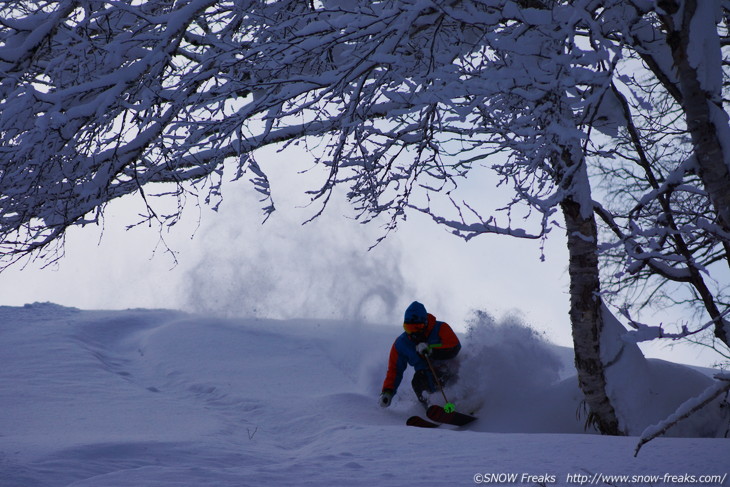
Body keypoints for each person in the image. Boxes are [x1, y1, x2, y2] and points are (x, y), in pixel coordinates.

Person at [379, 301, 461, 409]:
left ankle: (461, 402)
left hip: (448, 371)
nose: (413, 333)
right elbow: (395, 370)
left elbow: (455, 346)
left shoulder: (440, 328)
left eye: (417, 327)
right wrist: (388, 391)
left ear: (425, 323)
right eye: (409, 328)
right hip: (426, 376)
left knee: (446, 373)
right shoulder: (401, 344)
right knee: (418, 381)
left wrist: (431, 350)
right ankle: (431, 410)